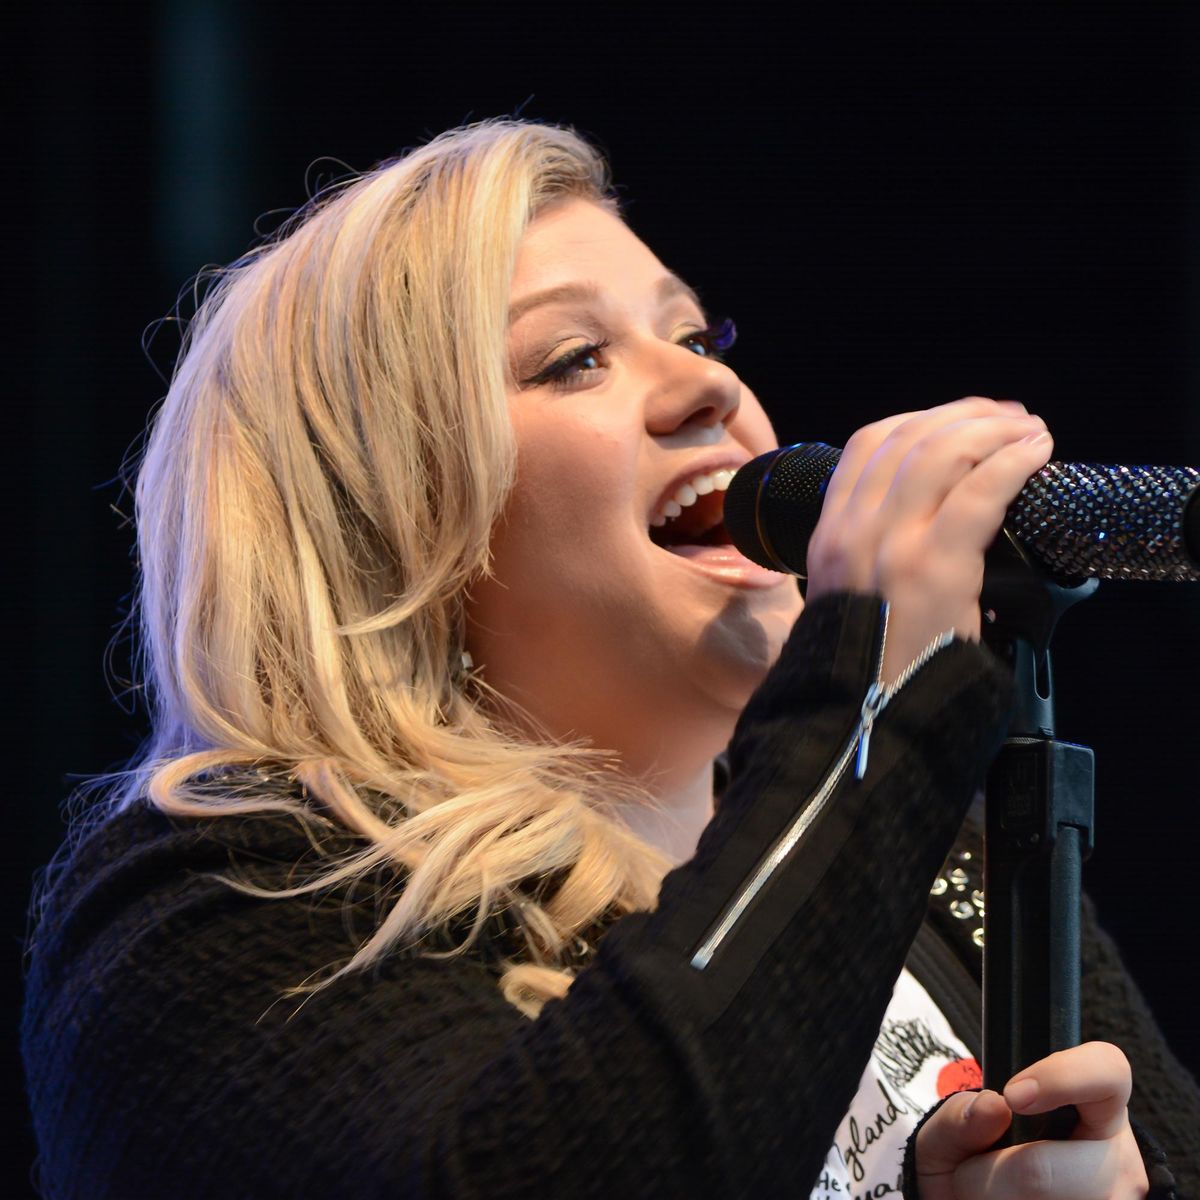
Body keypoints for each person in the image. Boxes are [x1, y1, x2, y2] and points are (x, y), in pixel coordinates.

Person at [21, 119, 1198, 1199]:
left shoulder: (936, 855)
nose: (710, 384)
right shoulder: (219, 900)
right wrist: (871, 710)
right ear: (386, 528)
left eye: (693, 335)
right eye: (575, 357)